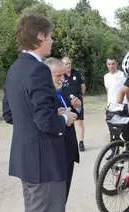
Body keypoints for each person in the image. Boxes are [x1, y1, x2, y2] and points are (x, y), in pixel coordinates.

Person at [2, 14, 77, 212]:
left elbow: (9, 114)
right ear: (41, 36)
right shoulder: (39, 70)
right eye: (50, 36)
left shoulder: (13, 69)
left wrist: (49, 114)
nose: (52, 40)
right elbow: (46, 123)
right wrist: (63, 117)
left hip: (27, 161)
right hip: (44, 164)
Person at [44, 57, 81, 202]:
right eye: (58, 75)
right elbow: (45, 122)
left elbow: (72, 115)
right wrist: (57, 116)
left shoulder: (62, 91)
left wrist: (77, 106)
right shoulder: (44, 96)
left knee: (62, 199)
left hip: (68, 153)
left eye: (63, 74)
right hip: (56, 157)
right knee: (54, 201)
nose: (62, 79)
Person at [61, 57, 86, 152]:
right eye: (66, 64)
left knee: (79, 121)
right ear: (62, 65)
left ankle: (81, 142)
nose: (68, 65)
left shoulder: (77, 72)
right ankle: (68, 142)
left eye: (69, 63)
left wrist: (82, 95)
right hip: (65, 101)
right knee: (66, 122)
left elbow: (83, 86)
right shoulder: (60, 75)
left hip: (77, 100)